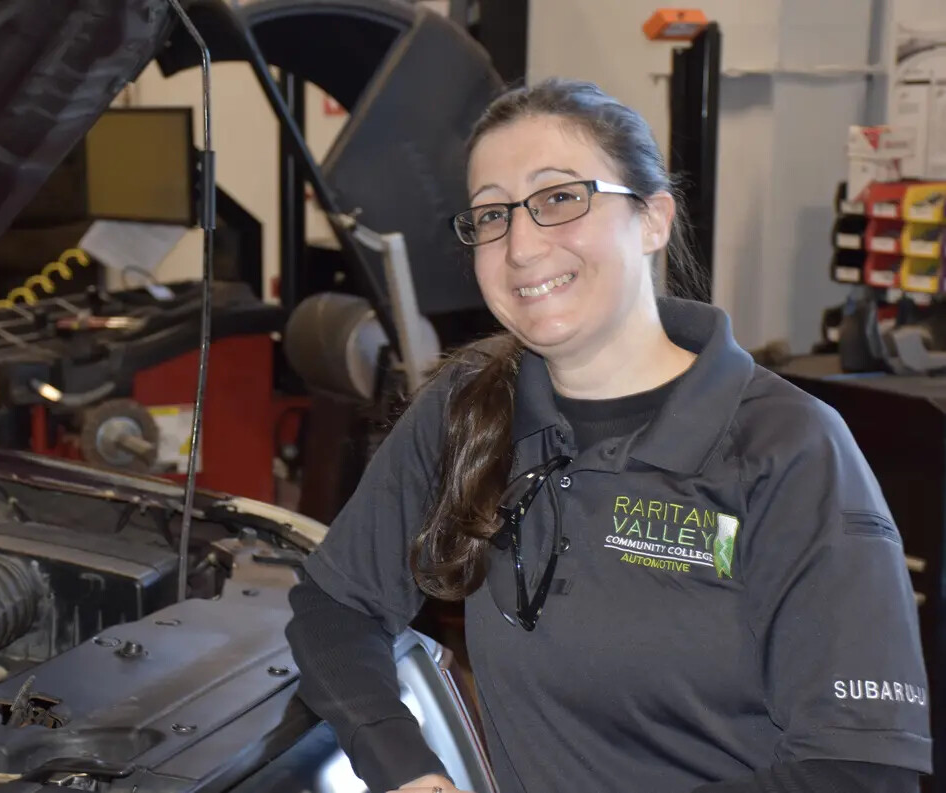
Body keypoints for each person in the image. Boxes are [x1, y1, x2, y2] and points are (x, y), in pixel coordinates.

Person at [284, 78, 932, 793]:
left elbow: (858, 770)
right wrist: (407, 770)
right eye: (491, 214)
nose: (521, 244)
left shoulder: (787, 448)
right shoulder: (468, 408)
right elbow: (333, 606)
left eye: (560, 198)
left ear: (653, 219)